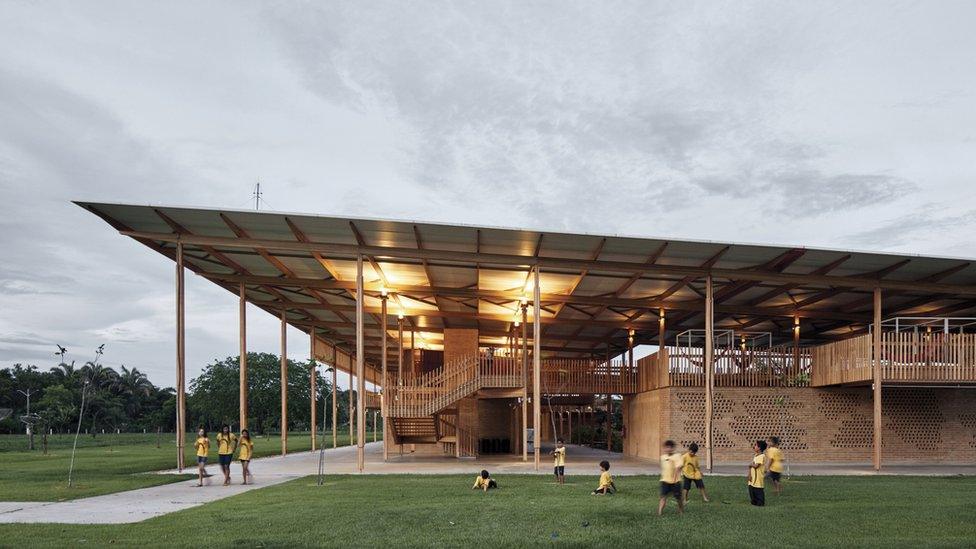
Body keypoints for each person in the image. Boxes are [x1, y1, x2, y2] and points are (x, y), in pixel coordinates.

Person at [658, 440, 684, 515]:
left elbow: (679, 467)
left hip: (676, 482)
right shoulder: (662, 457)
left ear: (673, 448)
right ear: (664, 448)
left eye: (670, 447)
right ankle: (659, 513)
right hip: (665, 481)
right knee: (663, 497)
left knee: (678, 498)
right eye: (667, 447)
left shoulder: (677, 456)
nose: (668, 449)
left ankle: (681, 511)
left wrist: (675, 477)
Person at [748, 440, 768, 506]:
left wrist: (750, 465)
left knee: (758, 490)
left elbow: (756, 466)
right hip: (753, 478)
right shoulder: (756, 456)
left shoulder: (762, 456)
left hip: (758, 478)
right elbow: (751, 467)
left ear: (759, 448)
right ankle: (754, 502)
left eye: (756, 445)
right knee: (751, 490)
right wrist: (749, 475)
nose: (754, 446)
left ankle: (760, 503)